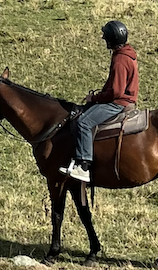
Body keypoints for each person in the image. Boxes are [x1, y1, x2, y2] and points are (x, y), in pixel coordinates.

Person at [60, 20, 139, 183]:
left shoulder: (120, 60)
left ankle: (83, 166)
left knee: (83, 122)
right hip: (124, 100)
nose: (104, 39)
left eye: (106, 37)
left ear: (111, 39)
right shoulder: (127, 54)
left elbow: (116, 92)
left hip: (118, 103)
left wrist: (94, 98)